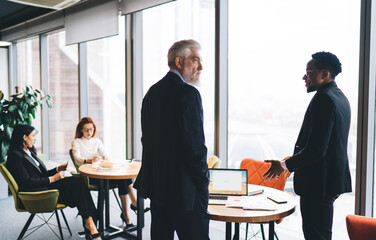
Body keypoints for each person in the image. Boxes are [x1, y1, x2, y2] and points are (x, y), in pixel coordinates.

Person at [263, 51, 352, 240]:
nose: (304, 77)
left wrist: (285, 166)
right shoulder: (340, 97)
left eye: (309, 73)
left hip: (318, 183)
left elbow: (316, 149)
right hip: (328, 181)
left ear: (325, 74)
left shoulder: (324, 99)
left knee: (315, 236)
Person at [134, 39, 210, 240]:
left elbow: (147, 141)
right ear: (179, 61)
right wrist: (204, 183)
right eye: (195, 60)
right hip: (186, 193)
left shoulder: (152, 93)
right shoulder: (188, 94)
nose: (200, 67)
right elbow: (195, 149)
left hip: (158, 190)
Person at [6, 124, 102, 240]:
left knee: (79, 180)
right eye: (33, 136)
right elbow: (27, 182)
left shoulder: (28, 151)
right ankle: (91, 223)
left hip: (45, 185)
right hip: (38, 193)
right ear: (24, 137)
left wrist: (58, 169)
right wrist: (54, 178)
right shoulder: (14, 156)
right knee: (78, 184)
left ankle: (89, 222)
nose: (35, 139)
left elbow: (42, 174)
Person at [72, 117, 148, 228]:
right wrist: (88, 160)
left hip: (101, 172)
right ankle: (132, 207)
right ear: (81, 130)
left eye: (91, 129)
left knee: (123, 178)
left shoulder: (97, 141)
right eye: (86, 129)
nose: (90, 132)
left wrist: (106, 158)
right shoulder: (77, 142)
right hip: (90, 176)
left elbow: (105, 154)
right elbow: (76, 158)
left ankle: (127, 214)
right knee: (124, 179)